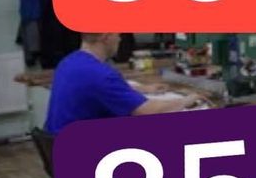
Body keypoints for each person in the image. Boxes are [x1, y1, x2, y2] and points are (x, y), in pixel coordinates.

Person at [44, 32, 200, 135]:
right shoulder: (101, 75)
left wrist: (143, 88)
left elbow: (96, 88)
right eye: (118, 34)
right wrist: (187, 100)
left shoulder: (70, 62)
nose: (120, 39)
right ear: (106, 37)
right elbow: (149, 111)